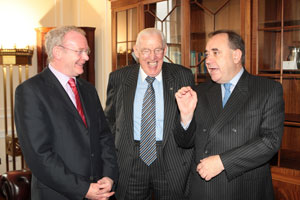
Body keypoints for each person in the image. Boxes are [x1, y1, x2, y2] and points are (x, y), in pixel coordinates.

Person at [174, 30, 285, 200]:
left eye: (215, 53)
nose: (208, 60)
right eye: (207, 54)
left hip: (244, 188)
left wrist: (223, 162)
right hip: (203, 189)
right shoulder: (199, 91)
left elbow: (270, 142)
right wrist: (186, 116)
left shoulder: (267, 90)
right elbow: (184, 143)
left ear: (236, 56)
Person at [14, 26, 118, 200]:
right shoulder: (30, 91)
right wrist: (83, 189)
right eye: (80, 51)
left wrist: (109, 176)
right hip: (58, 194)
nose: (86, 57)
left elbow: (104, 137)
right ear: (58, 52)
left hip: (101, 191)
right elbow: (39, 155)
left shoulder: (88, 90)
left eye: (87, 51)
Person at [105, 28, 194, 200]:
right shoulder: (118, 78)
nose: (152, 57)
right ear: (136, 52)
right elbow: (110, 123)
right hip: (130, 161)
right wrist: (107, 165)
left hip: (170, 158)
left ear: (165, 50)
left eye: (157, 50)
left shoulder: (183, 76)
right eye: (145, 50)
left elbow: (190, 120)